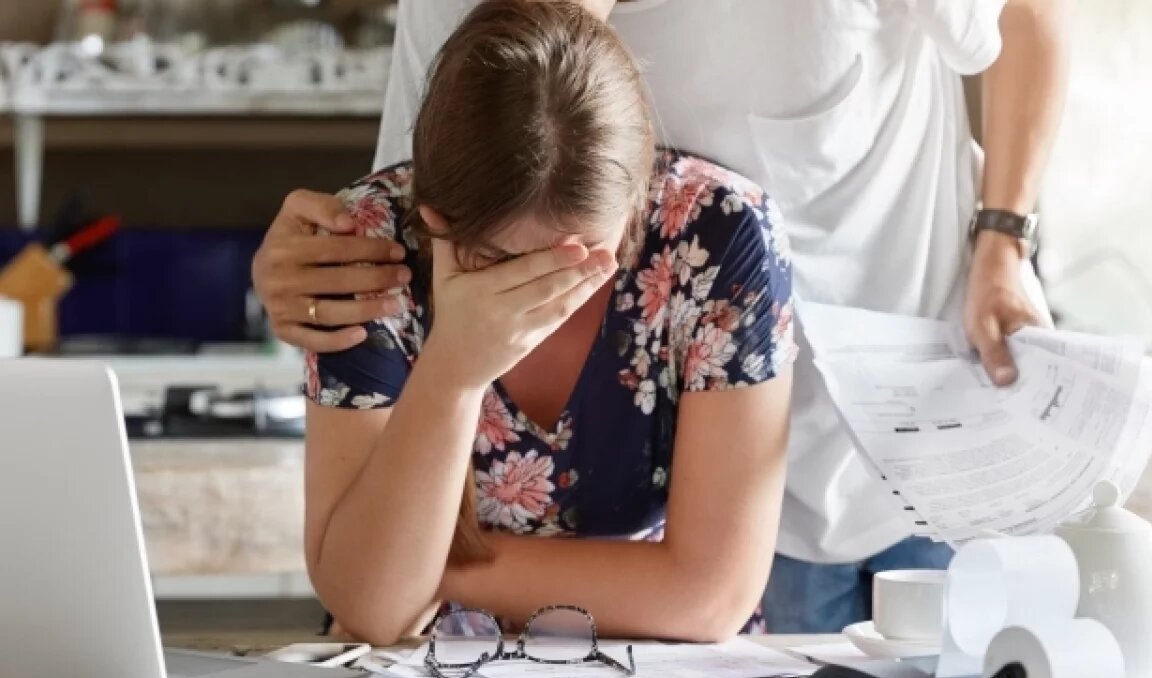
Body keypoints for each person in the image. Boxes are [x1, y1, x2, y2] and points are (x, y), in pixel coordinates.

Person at [253, 0, 1070, 633]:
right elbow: (428, 184)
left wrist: (1006, 237)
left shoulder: (718, 226)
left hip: (884, 403)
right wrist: (321, 268)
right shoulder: (445, 204)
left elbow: (1027, 20)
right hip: (699, 467)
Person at [300, 0, 796, 645]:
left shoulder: (721, 233)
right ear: (435, 222)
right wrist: (452, 373)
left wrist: (423, 569)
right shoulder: (368, 242)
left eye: (586, 258)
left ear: (635, 199)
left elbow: (709, 599)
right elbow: (372, 613)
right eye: (504, 261)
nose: (549, 291)